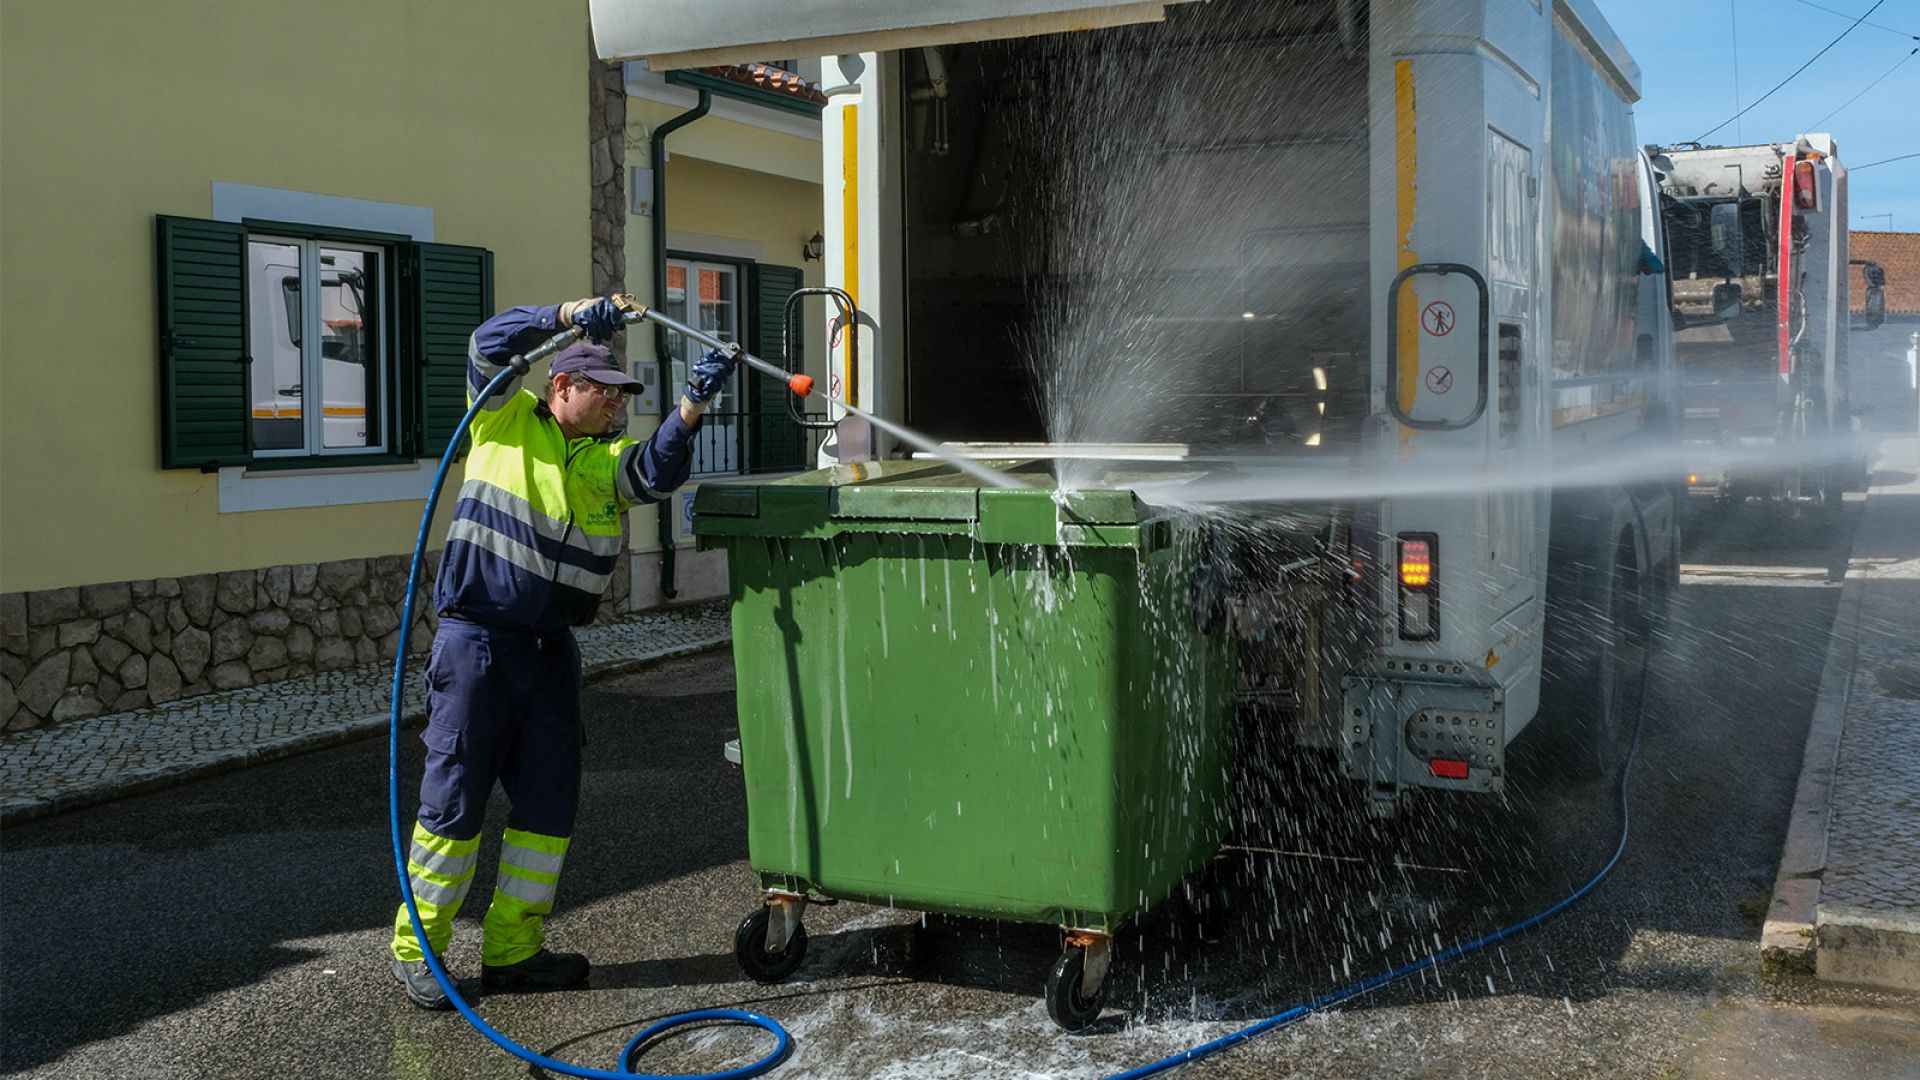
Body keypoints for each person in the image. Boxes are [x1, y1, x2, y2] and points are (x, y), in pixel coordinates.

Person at [387, 296, 738, 1010]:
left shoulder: (603, 460)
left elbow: (656, 473)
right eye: (602, 391)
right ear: (561, 385)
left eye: (621, 396)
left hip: (550, 652)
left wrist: (692, 406)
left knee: (547, 806)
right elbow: (487, 341)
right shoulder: (500, 416)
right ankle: (419, 948)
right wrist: (568, 315)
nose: (614, 403)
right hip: (478, 642)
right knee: (454, 803)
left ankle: (513, 950)